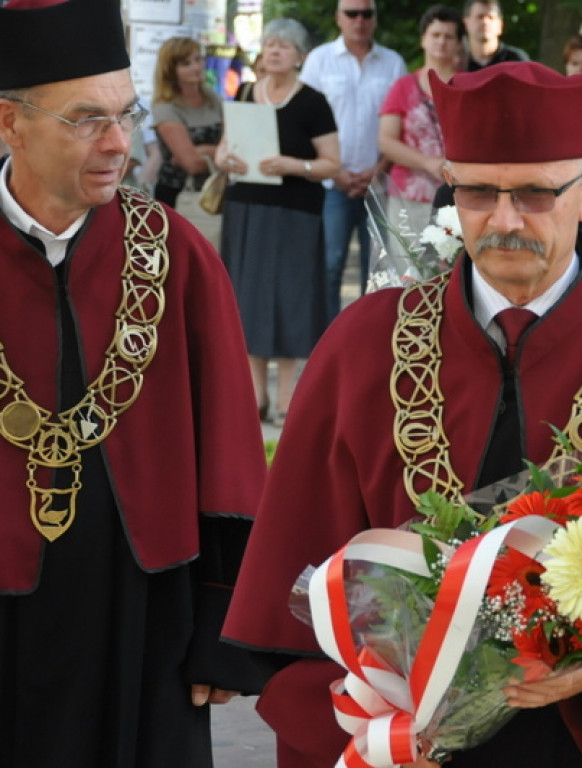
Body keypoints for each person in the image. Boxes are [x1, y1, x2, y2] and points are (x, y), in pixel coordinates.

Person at [223, 61, 582, 768]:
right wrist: (373, 706)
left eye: (533, 193)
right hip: (402, 743)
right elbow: (291, 585)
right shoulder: (362, 346)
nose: (502, 220)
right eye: (477, 192)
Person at [0, 1, 269, 766]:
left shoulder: (177, 254)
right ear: (10, 124)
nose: (120, 143)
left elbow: (229, 449)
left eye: (127, 114)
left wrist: (225, 625)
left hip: (144, 614)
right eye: (85, 119)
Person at [216, 18, 339, 427]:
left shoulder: (313, 102)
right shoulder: (246, 92)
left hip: (295, 212)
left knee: (291, 299)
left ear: (300, 56)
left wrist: (295, 164)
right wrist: (224, 159)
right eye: (269, 44)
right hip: (247, 207)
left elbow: (332, 164)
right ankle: (256, 394)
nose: (274, 51)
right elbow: (222, 151)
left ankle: (287, 395)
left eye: (284, 46)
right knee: (247, 297)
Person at [300, 0, 406, 314]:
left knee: (378, 270)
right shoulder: (319, 61)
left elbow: (402, 125)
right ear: (338, 18)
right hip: (333, 185)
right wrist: (336, 172)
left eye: (367, 13)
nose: (359, 20)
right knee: (330, 264)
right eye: (352, 13)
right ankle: (330, 340)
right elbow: (304, 121)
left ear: (375, 18)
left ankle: (367, 341)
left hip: (380, 181)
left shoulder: (393, 63)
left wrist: (378, 169)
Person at [378, 5, 463, 246]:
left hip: (458, 197)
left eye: (449, 36)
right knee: (407, 271)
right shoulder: (402, 87)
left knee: (450, 272)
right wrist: (428, 163)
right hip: (409, 197)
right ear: (423, 39)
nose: (441, 42)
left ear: (459, 43)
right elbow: (386, 141)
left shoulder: (468, 87)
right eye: (435, 35)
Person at [151, 37, 223, 208]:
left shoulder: (214, 99)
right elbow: (192, 164)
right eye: (186, 63)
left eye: (198, 59)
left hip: (215, 192)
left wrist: (204, 150)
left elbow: (237, 147)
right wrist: (222, 156)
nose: (196, 67)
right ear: (170, 70)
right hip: (180, 195)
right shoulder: (166, 107)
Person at [462, 0, 528, 71]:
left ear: (500, 25)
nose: (485, 22)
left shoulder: (516, 61)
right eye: (480, 17)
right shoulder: (458, 63)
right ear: (466, 23)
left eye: (491, 17)